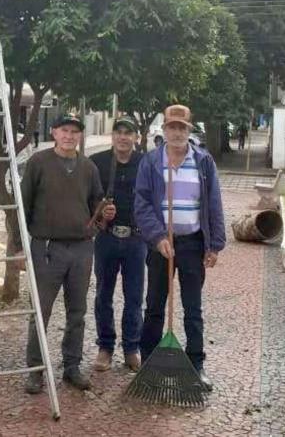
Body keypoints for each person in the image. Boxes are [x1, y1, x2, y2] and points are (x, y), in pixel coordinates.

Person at [134, 104, 226, 391]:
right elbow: (142, 204)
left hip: (192, 244)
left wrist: (214, 245)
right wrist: (158, 236)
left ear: (189, 130)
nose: (176, 132)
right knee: (155, 308)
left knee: (193, 308)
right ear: (164, 130)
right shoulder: (151, 162)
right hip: (161, 244)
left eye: (181, 128)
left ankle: (196, 365)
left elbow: (213, 204)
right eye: (172, 127)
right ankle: (148, 364)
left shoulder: (203, 162)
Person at [21, 112, 106, 394]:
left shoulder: (88, 167)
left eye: (74, 131)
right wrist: (23, 245)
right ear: (54, 133)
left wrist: (104, 214)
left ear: (80, 136)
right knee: (40, 311)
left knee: (77, 312)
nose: (69, 136)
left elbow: (97, 205)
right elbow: (23, 206)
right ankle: (35, 369)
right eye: (64, 130)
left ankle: (72, 366)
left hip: (82, 249)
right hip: (47, 248)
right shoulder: (38, 163)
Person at [89, 116, 147, 372]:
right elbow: (87, 198)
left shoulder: (146, 163)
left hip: (136, 239)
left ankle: (132, 348)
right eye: (118, 132)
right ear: (112, 136)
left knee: (134, 297)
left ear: (136, 137)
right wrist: (100, 213)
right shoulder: (97, 162)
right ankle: (105, 346)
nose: (123, 137)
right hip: (107, 238)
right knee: (103, 295)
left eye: (128, 133)